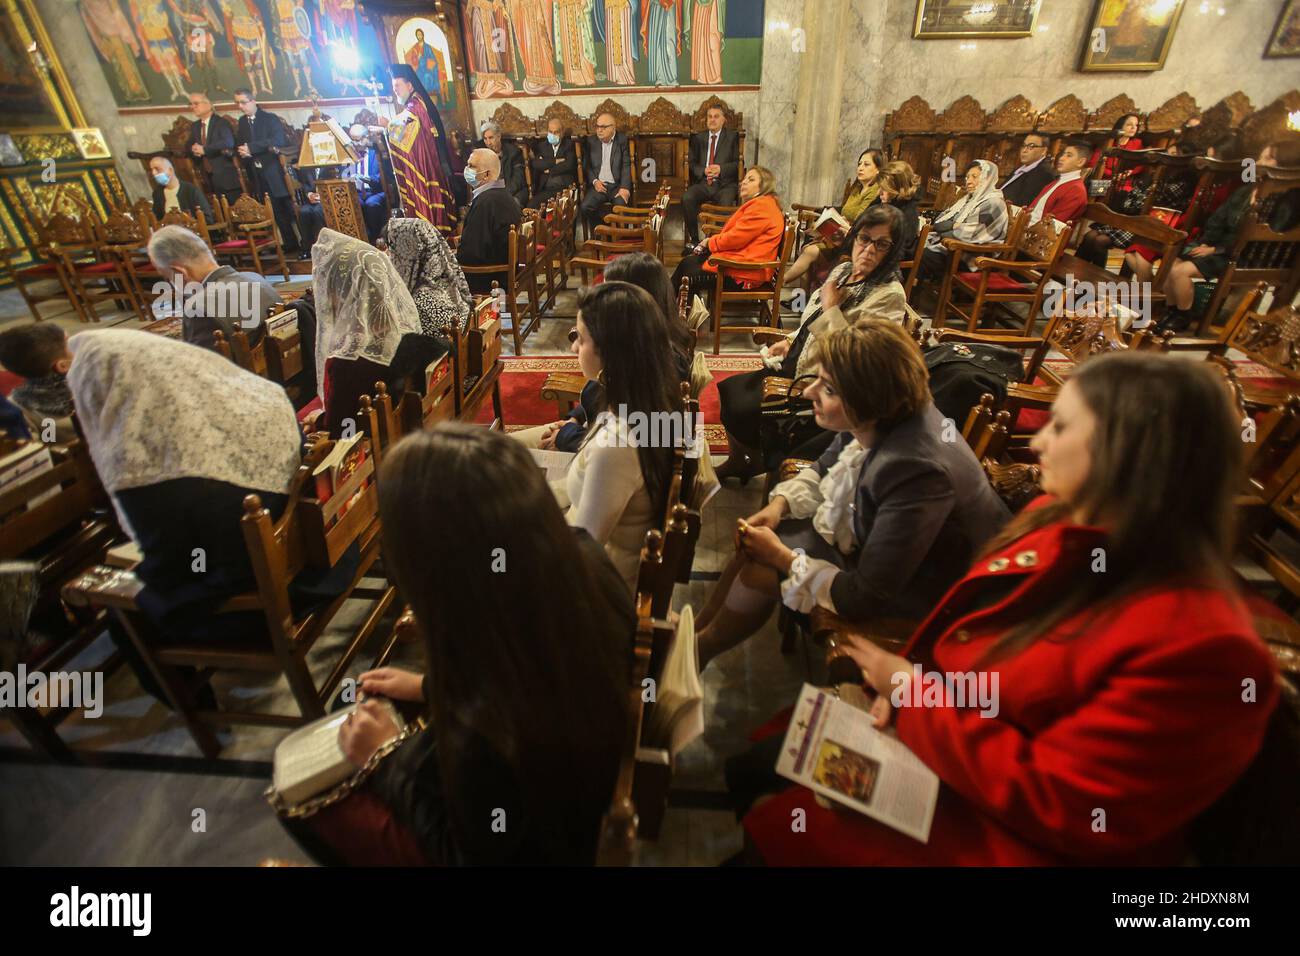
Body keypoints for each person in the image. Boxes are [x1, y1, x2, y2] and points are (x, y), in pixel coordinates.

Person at [729, 351, 1279, 866]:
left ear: (1129, 451)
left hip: (997, 833)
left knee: (777, 828)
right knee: (755, 768)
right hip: (942, 740)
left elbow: (1071, 806)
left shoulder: (1207, 648)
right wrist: (908, 700)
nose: (1037, 444)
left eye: (1061, 427)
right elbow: (970, 642)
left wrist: (911, 695)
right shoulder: (1058, 518)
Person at [283, 425, 631, 866]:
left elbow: (464, 853)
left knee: (301, 800)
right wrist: (432, 688)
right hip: (574, 779)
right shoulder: (581, 557)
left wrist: (388, 757)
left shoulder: (488, 737)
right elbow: (524, 661)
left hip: (540, 833)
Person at [695, 320, 1008, 669]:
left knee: (761, 566)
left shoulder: (918, 471)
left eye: (827, 389)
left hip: (934, 592)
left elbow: (868, 596)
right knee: (756, 539)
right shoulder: (884, 412)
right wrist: (779, 507)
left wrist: (783, 557)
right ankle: (695, 635)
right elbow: (826, 465)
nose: (810, 392)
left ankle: (698, 653)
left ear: (863, 399)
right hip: (890, 548)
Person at [65, 329, 299, 646]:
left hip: (251, 604)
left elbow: (169, 568)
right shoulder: (262, 403)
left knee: (126, 619)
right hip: (299, 563)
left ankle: (191, 693)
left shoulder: (147, 469)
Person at [714, 205, 914, 484]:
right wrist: (790, 341)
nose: (868, 250)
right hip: (802, 361)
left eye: (882, 244)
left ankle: (760, 461)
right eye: (864, 239)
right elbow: (811, 318)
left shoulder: (889, 295)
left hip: (829, 385)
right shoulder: (844, 270)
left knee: (741, 405)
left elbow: (858, 361)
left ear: (893, 251)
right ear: (854, 237)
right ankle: (741, 459)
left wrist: (833, 306)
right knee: (728, 390)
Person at [554, 281, 683, 592]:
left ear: (609, 352)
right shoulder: (646, 397)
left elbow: (584, 552)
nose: (574, 347)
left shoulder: (617, 446)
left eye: (580, 339)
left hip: (602, 588)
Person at [517, 251, 692, 453]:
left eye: (607, 290)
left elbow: (641, 439)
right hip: (589, 431)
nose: (574, 348)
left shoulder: (659, 360)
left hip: (595, 445)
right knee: (503, 450)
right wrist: (575, 418)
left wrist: (566, 435)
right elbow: (601, 394)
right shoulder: (631, 344)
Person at [303, 229, 445, 438]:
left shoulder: (348, 362)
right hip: (419, 435)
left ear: (342, 290)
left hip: (383, 453)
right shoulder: (410, 337)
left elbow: (344, 432)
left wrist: (319, 420)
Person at [1157, 141, 1300, 332]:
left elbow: (1265, 234)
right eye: (1260, 157)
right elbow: (1219, 219)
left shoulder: (1288, 199)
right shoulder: (1247, 190)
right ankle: (1172, 311)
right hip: (1221, 246)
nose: (1258, 162)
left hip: (1249, 255)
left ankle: (1183, 315)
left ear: (1285, 165)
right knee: (1170, 264)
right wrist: (1207, 242)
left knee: (1180, 272)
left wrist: (1217, 249)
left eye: (1267, 158)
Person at [146, 224, 274, 350]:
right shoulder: (257, 279)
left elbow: (199, 366)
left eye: (168, 277)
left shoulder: (199, 309)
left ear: (180, 273)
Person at [1078, 142, 1198, 269]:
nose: (1167, 158)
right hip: (1132, 217)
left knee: (1100, 241)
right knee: (1090, 236)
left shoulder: (1182, 183)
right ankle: (1073, 274)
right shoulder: (1155, 175)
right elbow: (1132, 198)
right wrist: (1135, 201)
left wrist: (1140, 198)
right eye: (1167, 153)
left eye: (1173, 155)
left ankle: (1096, 277)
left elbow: (1154, 200)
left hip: (1153, 224)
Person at [671, 166, 785, 297]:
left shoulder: (762, 207)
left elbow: (735, 239)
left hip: (746, 273)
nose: (744, 182)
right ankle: (680, 310)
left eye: (751, 179)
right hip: (742, 265)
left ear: (763, 186)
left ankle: (672, 310)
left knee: (688, 271)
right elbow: (739, 236)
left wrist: (709, 242)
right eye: (745, 178)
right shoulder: (763, 203)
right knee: (688, 264)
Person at [379, 63, 458, 235]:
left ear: (409, 85)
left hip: (427, 165)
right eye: (393, 88)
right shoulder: (418, 103)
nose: (396, 91)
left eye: (397, 86)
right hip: (431, 161)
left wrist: (388, 125)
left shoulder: (416, 105)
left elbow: (408, 123)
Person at [784, 149, 884, 284]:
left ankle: (781, 282)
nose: (860, 168)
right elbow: (846, 211)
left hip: (854, 240)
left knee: (810, 251)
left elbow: (861, 219)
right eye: (859, 164)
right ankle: (800, 296)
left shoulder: (876, 192)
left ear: (878, 169)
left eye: (866, 165)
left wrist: (843, 223)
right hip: (840, 234)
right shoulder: (857, 189)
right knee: (808, 241)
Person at [382, 216, 473, 338]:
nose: (389, 254)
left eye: (391, 246)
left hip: (438, 353)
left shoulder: (418, 301)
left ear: (407, 249)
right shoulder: (446, 278)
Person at [916, 159, 1008, 280]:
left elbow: (970, 234)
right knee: (911, 247)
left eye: (974, 177)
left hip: (974, 259)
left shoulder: (993, 204)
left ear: (987, 179)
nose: (968, 181)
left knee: (920, 256)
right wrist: (955, 225)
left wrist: (950, 228)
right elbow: (939, 222)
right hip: (953, 249)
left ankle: (912, 293)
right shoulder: (968, 199)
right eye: (967, 177)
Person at [233, 88, 300, 252]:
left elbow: (278, 140)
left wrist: (252, 148)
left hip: (274, 171)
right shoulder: (242, 122)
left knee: (288, 209)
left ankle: (303, 242)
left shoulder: (269, 119)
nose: (240, 106)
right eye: (237, 103)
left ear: (253, 101)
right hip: (256, 173)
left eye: (243, 102)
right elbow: (241, 144)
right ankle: (289, 243)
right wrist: (244, 151)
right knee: (274, 210)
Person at [455, 147, 522, 295]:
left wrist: (453, 258)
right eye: (467, 165)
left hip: (490, 279)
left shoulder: (486, 203)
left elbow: (472, 254)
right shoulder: (502, 194)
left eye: (472, 166)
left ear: (486, 174)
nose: (467, 170)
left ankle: (473, 318)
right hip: (503, 271)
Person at [0, 323, 75, 442]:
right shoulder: (89, 387)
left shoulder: (14, 405)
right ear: (63, 365)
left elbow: (46, 445)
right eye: (71, 344)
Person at [682, 106, 741, 246]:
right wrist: (703, 171)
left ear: (723, 120)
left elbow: (737, 164)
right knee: (687, 198)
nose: (712, 120)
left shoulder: (732, 137)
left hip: (725, 184)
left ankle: (717, 242)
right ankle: (695, 241)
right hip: (703, 183)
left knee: (726, 201)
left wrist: (721, 169)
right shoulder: (698, 138)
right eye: (710, 116)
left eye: (716, 116)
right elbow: (691, 162)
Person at [580, 112, 633, 232]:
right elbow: (587, 166)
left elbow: (626, 165)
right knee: (585, 207)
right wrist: (595, 182)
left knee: (621, 207)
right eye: (598, 127)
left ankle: (620, 241)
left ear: (613, 127)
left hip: (617, 186)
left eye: (603, 127)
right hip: (599, 185)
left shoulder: (622, 140)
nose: (599, 130)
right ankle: (603, 231)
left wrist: (625, 187)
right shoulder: (591, 141)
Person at [187, 91, 240, 206]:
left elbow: (228, 142)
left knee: (235, 209)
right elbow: (188, 146)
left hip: (226, 176)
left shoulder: (221, 123)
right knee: (220, 211)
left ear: (209, 104)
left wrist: (205, 149)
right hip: (208, 177)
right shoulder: (195, 126)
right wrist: (194, 151)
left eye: (196, 103)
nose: (193, 107)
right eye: (191, 104)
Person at [1024, 138, 1090, 226]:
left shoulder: (1076, 190)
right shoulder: (1058, 181)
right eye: (1063, 154)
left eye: (1069, 155)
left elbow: (1052, 225)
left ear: (1080, 162)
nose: (1061, 158)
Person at [343, 123, 391, 242]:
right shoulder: (349, 156)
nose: (356, 144)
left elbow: (380, 178)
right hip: (357, 192)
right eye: (353, 140)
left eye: (358, 140)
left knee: (371, 204)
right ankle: (360, 238)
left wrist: (365, 178)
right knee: (352, 204)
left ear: (366, 138)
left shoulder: (375, 154)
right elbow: (344, 175)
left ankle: (376, 238)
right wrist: (349, 178)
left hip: (375, 191)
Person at [872, 160, 923, 262]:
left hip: (892, 267)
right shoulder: (887, 201)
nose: (880, 192)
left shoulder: (908, 213)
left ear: (898, 188)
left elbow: (899, 252)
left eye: (884, 188)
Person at [527, 117, 578, 209]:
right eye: (550, 132)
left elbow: (569, 165)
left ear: (562, 133)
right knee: (532, 205)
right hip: (545, 187)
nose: (553, 134)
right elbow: (536, 164)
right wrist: (555, 161)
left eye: (556, 132)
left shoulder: (569, 145)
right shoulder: (542, 146)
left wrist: (549, 169)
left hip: (564, 186)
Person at [477, 121, 528, 208]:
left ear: (499, 136)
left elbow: (518, 180)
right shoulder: (483, 154)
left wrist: (502, 195)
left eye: (491, 138)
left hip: (514, 192)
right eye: (485, 139)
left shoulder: (514, 153)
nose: (488, 143)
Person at [998, 132, 1056, 207]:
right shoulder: (1021, 168)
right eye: (1024, 145)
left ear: (1044, 150)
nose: (1024, 150)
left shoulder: (1043, 173)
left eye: (1031, 146)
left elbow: (1023, 203)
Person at [149, 156, 212, 221]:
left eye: (157, 169)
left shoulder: (191, 190)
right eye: (152, 170)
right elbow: (157, 219)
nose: (154, 173)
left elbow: (207, 219)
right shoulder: (157, 193)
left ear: (170, 170)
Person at [1091, 112, 1144, 184]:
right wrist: (1113, 175)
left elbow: (1142, 164)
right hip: (1103, 180)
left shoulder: (1137, 143)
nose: (1133, 128)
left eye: (1136, 125)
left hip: (1125, 181)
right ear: (1120, 126)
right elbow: (1094, 163)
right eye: (1129, 125)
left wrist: (1130, 172)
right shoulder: (1108, 142)